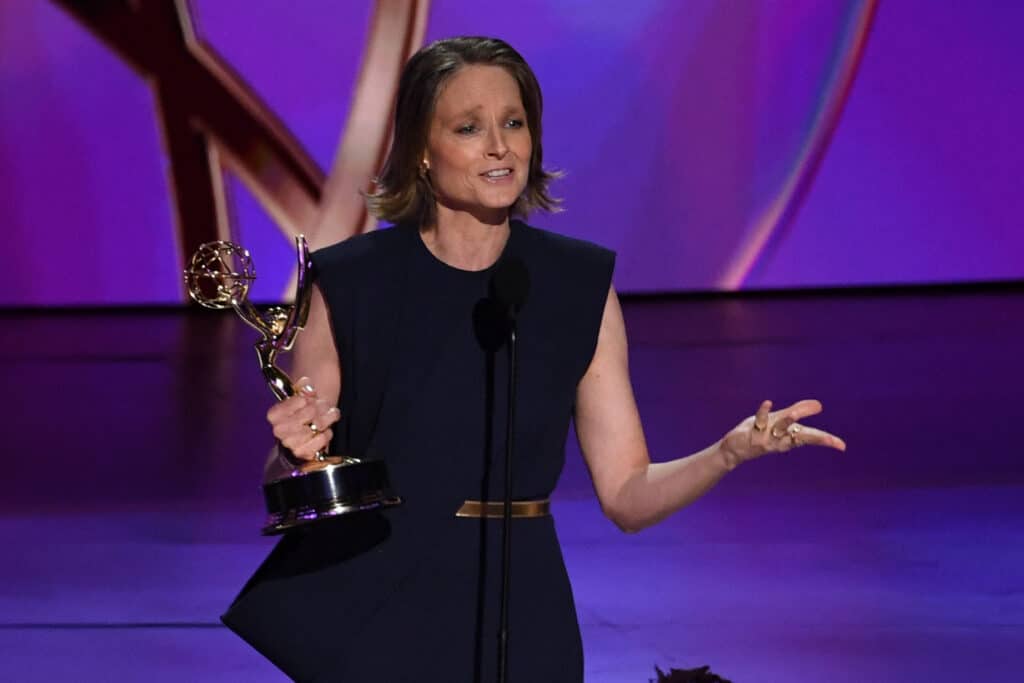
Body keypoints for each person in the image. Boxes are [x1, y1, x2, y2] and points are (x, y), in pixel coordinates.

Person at [221, 36, 846, 682]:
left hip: (522, 610)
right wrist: (291, 453)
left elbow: (628, 494)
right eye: (470, 127)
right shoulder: (350, 283)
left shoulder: (575, 284)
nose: (500, 145)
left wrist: (728, 451)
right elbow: (297, 461)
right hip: (384, 601)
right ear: (423, 154)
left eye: (514, 123)